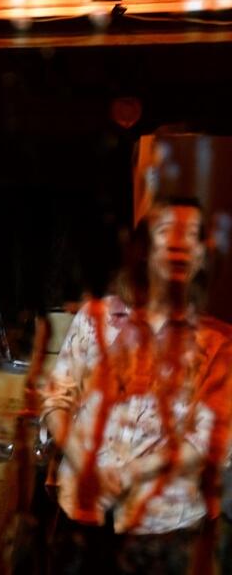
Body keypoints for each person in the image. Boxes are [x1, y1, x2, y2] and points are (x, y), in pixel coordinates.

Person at [41, 197, 232, 574]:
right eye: (165, 232)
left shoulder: (220, 344)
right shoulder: (97, 318)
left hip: (165, 535)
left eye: (191, 235)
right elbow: (57, 398)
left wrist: (132, 474)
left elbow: (212, 441)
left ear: (201, 256)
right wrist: (83, 461)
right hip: (81, 519)